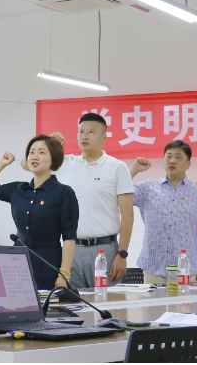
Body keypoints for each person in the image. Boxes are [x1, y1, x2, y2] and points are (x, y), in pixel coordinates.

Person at [0, 135, 78, 290]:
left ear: (54, 158)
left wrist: (64, 274)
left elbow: (69, 237)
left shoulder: (63, 192)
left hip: (48, 263)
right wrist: (1, 164)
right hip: (17, 262)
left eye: (41, 152)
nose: (34, 157)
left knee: (47, 304)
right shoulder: (18, 189)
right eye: (31, 152)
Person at [45, 112, 135, 289]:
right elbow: (28, 164)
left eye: (91, 132)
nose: (84, 136)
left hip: (104, 249)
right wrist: (50, 146)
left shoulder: (117, 167)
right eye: (81, 131)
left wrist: (122, 254)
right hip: (71, 249)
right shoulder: (66, 163)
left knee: (108, 302)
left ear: (104, 137)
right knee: (72, 302)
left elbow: (128, 215)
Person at [129, 140, 197, 285]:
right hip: (153, 268)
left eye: (178, 157)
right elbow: (118, 192)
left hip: (186, 270)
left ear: (188, 164)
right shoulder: (148, 187)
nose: (172, 161)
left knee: (186, 302)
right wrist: (134, 170)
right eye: (168, 156)